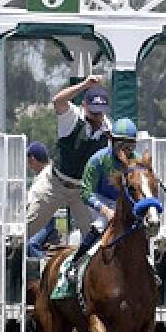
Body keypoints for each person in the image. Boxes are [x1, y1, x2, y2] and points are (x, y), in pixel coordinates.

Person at [25, 75, 111, 241]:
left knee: (95, 238)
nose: (96, 117)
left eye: (100, 113)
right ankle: (7, 260)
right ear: (84, 106)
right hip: (54, 183)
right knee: (25, 229)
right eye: (93, 111)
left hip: (82, 190)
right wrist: (84, 85)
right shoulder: (72, 117)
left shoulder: (109, 131)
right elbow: (58, 101)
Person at [66, 118, 139, 275]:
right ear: (111, 141)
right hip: (101, 200)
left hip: (125, 202)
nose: (125, 151)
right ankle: (75, 263)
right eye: (121, 145)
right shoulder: (97, 160)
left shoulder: (136, 161)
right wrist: (104, 210)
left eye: (130, 146)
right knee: (101, 224)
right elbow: (85, 192)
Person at [25, 142, 61, 259]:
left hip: (45, 219)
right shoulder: (42, 175)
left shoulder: (47, 175)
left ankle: (44, 267)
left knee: (31, 244)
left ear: (33, 159)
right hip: (40, 216)